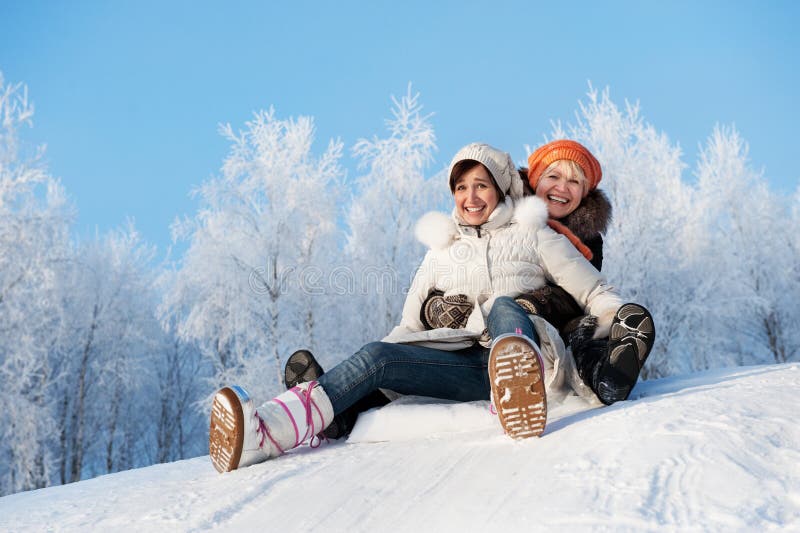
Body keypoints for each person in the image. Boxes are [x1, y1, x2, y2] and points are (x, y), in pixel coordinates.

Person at [209, 143, 625, 473]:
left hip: (528, 357)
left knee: (503, 306)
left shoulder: (534, 235)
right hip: (463, 365)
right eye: (461, 188)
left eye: (481, 185)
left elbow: (593, 290)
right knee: (377, 354)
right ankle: (265, 435)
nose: (470, 196)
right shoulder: (440, 252)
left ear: (500, 188)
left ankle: (516, 388)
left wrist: (620, 323)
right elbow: (407, 328)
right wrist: (369, 378)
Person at [424, 140, 655, 405]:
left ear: (584, 193)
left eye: (574, 182)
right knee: (512, 311)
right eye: (553, 176)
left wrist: (611, 313)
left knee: (583, 334)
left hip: (557, 316)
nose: (561, 188)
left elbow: (585, 288)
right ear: (534, 180)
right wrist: (433, 307)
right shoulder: (503, 214)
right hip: (498, 322)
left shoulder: (587, 238)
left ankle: (608, 377)